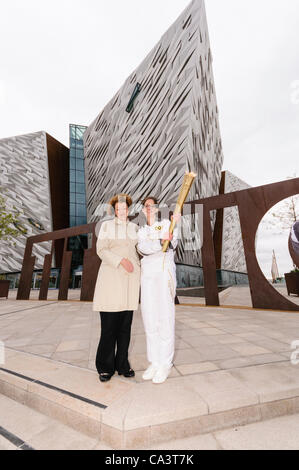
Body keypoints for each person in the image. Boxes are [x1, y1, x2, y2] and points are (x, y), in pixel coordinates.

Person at [93, 194, 140, 382]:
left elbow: (142, 248)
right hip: (112, 281)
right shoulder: (106, 227)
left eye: (125, 208)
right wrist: (120, 261)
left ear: (128, 209)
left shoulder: (135, 228)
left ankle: (122, 365)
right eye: (119, 208)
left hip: (130, 282)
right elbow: (101, 250)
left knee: (125, 328)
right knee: (109, 328)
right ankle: (105, 367)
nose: (122, 211)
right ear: (114, 210)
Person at [137, 196, 180, 384]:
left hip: (163, 273)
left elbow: (171, 243)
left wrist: (169, 234)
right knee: (149, 317)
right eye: (146, 206)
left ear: (157, 208)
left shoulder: (167, 224)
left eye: (151, 205)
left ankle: (165, 363)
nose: (149, 208)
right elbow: (142, 248)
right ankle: (154, 361)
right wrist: (159, 243)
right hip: (147, 276)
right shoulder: (141, 230)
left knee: (165, 317)